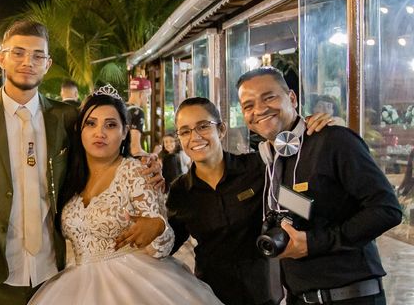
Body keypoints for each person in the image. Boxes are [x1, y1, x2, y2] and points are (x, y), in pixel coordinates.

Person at [0, 20, 163, 305]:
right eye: (18, 53)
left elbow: (97, 159)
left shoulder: (67, 117)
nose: (28, 62)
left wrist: (147, 171)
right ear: (1, 58)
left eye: (38, 55)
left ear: (47, 64)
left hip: (52, 268)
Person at [26, 87, 224, 305]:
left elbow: (162, 248)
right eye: (91, 123)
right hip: (76, 285)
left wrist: (157, 225)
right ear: (79, 130)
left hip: (135, 283)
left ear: (124, 132)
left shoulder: (137, 172)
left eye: (110, 125)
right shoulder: (69, 177)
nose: (99, 132)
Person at [237, 67, 402, 305]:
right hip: (300, 297)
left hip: (351, 297)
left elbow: (388, 210)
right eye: (248, 105)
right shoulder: (270, 162)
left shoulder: (334, 141)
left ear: (292, 98)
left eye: (269, 97)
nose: (259, 110)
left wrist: (314, 244)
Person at [167, 97, 334, 305]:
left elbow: (302, 206)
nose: (195, 137)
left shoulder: (258, 169)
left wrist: (323, 134)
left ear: (221, 130)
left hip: (264, 294)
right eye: (185, 131)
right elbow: (168, 243)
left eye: (203, 126)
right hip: (211, 296)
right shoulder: (180, 191)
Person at [127, 76, 151, 156]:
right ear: (142, 94)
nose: (147, 100)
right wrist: (150, 155)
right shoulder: (138, 112)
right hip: (124, 162)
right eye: (147, 96)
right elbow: (135, 150)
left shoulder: (122, 107)